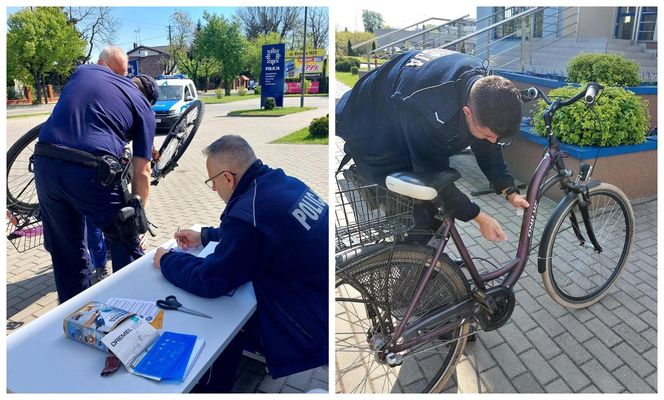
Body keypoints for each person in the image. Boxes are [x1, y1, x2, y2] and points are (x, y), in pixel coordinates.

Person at [152, 135, 328, 392]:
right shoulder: (282, 183)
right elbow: (263, 234)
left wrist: (166, 259)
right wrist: (206, 235)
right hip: (320, 292)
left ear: (227, 177)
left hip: (310, 322)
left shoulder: (248, 215)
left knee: (229, 322)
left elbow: (211, 280)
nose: (213, 189)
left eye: (212, 181)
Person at [336, 48, 529, 241]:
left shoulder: (486, 88)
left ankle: (424, 261)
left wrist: (509, 190)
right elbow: (433, 176)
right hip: (365, 125)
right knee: (422, 218)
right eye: (487, 134)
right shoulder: (429, 107)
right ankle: (412, 266)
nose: (493, 141)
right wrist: (479, 217)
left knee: (430, 211)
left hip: (395, 106)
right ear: (467, 112)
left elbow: (487, 142)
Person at [33, 46, 158, 304]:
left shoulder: (85, 71)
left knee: (67, 253)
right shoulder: (143, 107)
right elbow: (143, 171)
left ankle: (76, 318)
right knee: (124, 237)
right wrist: (136, 210)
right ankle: (129, 313)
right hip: (89, 171)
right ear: (149, 99)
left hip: (44, 163)